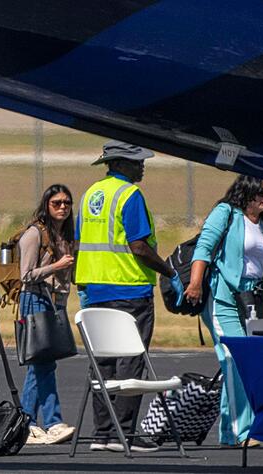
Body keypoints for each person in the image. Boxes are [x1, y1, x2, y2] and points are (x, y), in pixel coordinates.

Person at [73, 140, 182, 453]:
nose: (142, 166)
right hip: (130, 289)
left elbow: (79, 244)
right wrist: (170, 272)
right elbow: (139, 247)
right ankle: (125, 435)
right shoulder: (130, 195)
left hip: (95, 291)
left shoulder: (90, 194)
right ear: (121, 164)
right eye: (137, 162)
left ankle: (103, 435)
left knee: (102, 366)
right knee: (130, 364)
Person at [184, 175, 263, 447]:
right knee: (234, 359)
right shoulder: (226, 213)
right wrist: (196, 283)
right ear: (246, 190)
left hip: (252, 301)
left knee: (246, 361)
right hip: (223, 297)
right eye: (261, 191)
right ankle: (241, 431)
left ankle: (229, 430)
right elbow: (204, 248)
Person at [18, 184, 77, 445]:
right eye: (56, 203)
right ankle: (52, 421)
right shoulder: (34, 234)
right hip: (36, 299)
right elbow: (26, 275)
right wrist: (57, 265)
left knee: (40, 365)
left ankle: (26, 421)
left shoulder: (67, 234)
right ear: (46, 205)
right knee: (43, 363)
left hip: (56, 302)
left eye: (66, 202)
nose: (62, 207)